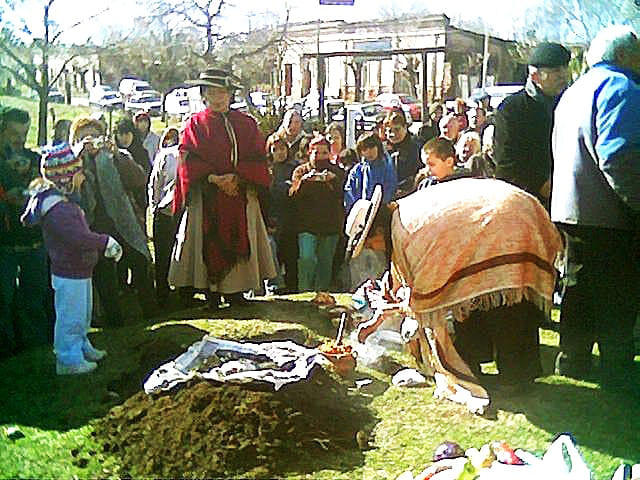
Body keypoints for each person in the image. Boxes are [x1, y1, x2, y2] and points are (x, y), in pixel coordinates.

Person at [349, 178, 562, 404]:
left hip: (507, 222)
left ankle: (517, 377)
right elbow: (400, 279)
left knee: (505, 302)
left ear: (378, 232)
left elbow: (427, 296)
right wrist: (375, 321)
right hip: (503, 214)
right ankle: (477, 362)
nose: (374, 250)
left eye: (371, 244)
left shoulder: (409, 232)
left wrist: (404, 308)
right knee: (466, 298)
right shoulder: (401, 219)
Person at [551, 25, 640, 392]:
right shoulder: (623, 89)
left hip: (572, 210)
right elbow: (621, 157)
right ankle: (617, 370)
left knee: (579, 291)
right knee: (617, 296)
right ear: (623, 56)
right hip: (610, 214)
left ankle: (572, 359)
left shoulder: (574, 91)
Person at [169, 67, 276, 307]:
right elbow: (187, 159)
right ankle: (211, 293)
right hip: (206, 198)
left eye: (222, 92)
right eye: (212, 92)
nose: (217, 98)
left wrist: (237, 177)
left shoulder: (246, 124)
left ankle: (236, 292)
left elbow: (259, 157)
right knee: (206, 241)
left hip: (240, 194)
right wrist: (212, 179)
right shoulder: (194, 124)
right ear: (204, 95)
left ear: (230, 95)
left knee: (240, 237)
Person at [21, 143, 123, 374]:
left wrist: (75, 194)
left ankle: (81, 345)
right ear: (65, 178)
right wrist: (105, 241)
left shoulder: (65, 201)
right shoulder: (60, 210)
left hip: (79, 270)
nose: (83, 175)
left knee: (82, 313)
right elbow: (78, 237)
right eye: (78, 172)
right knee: (71, 317)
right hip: (70, 272)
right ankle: (68, 358)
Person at [70, 116, 151, 324]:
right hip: (94, 225)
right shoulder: (70, 162)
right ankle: (115, 320)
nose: (90, 140)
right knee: (104, 273)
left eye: (95, 136)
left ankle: (151, 311)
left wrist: (115, 154)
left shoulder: (116, 155)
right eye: (84, 137)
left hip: (123, 220)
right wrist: (78, 157)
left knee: (140, 261)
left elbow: (139, 179)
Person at [493, 41, 571, 208]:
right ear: (535, 77)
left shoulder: (571, 104)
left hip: (570, 199)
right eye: (556, 71)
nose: (563, 76)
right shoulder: (512, 109)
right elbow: (506, 164)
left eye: (565, 68)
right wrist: (540, 185)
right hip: (528, 204)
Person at [0, 107, 50, 356]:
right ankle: (8, 351)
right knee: (3, 300)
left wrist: (28, 182)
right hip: (5, 243)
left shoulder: (34, 159)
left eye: (24, 132)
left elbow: (43, 190)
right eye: (12, 133)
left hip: (33, 242)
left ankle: (37, 347)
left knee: (35, 296)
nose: (18, 139)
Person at [289, 137, 345, 292]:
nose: (321, 156)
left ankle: (322, 295)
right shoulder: (300, 171)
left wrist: (333, 181)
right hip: (306, 226)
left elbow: (344, 195)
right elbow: (292, 194)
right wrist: (305, 182)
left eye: (324, 152)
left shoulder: (337, 171)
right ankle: (304, 292)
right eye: (316, 152)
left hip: (330, 226)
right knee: (306, 259)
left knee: (325, 264)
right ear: (309, 152)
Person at [343, 132, 397, 290]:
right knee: (359, 257)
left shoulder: (387, 165)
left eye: (372, 147)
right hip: (361, 222)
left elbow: (388, 189)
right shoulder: (357, 171)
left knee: (379, 256)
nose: (369, 151)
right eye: (364, 148)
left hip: (381, 219)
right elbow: (350, 195)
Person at [148, 126, 180, 307]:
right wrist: (155, 209)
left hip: (184, 211)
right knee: (163, 254)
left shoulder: (194, 157)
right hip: (165, 211)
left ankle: (183, 291)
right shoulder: (166, 156)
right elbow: (154, 184)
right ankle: (162, 293)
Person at [265, 133, 298, 293]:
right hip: (272, 219)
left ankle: (291, 287)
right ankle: (273, 287)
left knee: (290, 255)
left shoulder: (294, 168)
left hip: (291, 220)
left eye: (283, 148)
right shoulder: (266, 171)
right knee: (273, 255)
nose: (280, 152)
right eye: (275, 149)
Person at [383, 110, 420, 198]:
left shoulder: (415, 147)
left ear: (405, 127)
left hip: (410, 194)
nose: (393, 134)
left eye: (397, 129)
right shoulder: (383, 149)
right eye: (389, 130)